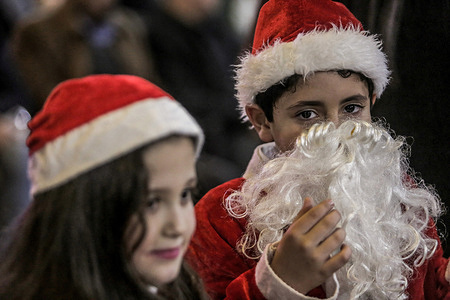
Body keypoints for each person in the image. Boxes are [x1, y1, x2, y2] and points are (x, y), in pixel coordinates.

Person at [185, 0, 450, 299]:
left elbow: (431, 287)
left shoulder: (396, 196)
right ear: (262, 121)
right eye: (307, 115)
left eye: (352, 108)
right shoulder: (219, 218)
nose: (335, 131)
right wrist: (280, 281)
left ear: (371, 105)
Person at [0, 74, 208, 300]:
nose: (177, 226)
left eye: (185, 195)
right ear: (81, 209)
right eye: (152, 202)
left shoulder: (180, 290)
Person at [11, 0, 159, 115]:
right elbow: (51, 100)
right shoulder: (37, 33)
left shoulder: (128, 25)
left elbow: (150, 82)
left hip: (136, 121)